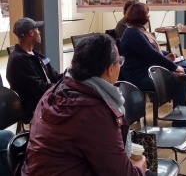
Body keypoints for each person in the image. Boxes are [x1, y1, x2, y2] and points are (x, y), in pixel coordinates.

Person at [21, 34, 147, 176]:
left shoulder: (55, 91)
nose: (120, 65)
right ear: (110, 69)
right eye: (119, 61)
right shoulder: (95, 113)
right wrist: (140, 166)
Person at [119, 3, 186, 126]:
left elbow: (153, 52)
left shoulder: (137, 30)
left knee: (182, 70)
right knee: (179, 80)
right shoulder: (133, 33)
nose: (148, 16)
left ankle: (180, 122)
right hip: (138, 76)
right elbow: (152, 54)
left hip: (148, 70)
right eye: (147, 13)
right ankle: (180, 124)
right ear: (142, 16)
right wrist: (174, 67)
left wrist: (168, 57)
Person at [6, 18, 62, 124]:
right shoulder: (18, 60)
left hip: (47, 99)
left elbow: (54, 77)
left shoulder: (36, 55)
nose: (39, 32)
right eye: (37, 30)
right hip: (34, 108)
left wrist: (70, 74)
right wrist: (61, 89)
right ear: (31, 33)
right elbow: (39, 89)